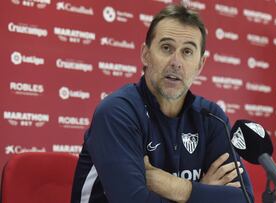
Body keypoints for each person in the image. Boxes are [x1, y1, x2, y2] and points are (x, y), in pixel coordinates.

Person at [71, 4, 254, 203]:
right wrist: (203, 193)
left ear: (200, 65)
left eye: (187, 52)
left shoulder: (212, 117)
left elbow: (244, 199)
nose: (176, 62)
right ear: (145, 54)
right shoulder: (117, 112)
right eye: (166, 48)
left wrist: (173, 186)